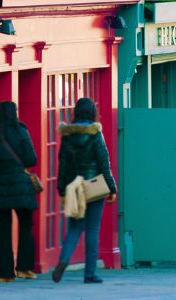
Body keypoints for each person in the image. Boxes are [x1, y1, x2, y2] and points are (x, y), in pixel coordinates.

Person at [52, 97, 117, 284]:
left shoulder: (67, 136)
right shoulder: (96, 133)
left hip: (74, 188)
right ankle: (90, 274)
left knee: (74, 229)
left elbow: (62, 164)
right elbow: (104, 163)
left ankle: (63, 261)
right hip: (94, 186)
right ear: (92, 113)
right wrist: (111, 188)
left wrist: (62, 190)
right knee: (92, 230)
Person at [0, 101, 40, 282]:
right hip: (19, 185)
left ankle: (5, 274)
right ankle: (24, 268)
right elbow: (31, 159)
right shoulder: (21, 130)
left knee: (3, 227)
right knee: (26, 224)